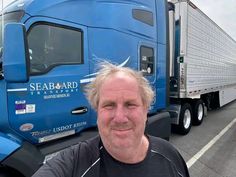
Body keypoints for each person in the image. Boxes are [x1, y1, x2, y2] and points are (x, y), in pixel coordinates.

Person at [32, 62, 189, 177]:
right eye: (109, 105)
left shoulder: (171, 156)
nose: (120, 118)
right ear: (97, 111)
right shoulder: (73, 164)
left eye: (130, 104)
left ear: (145, 109)